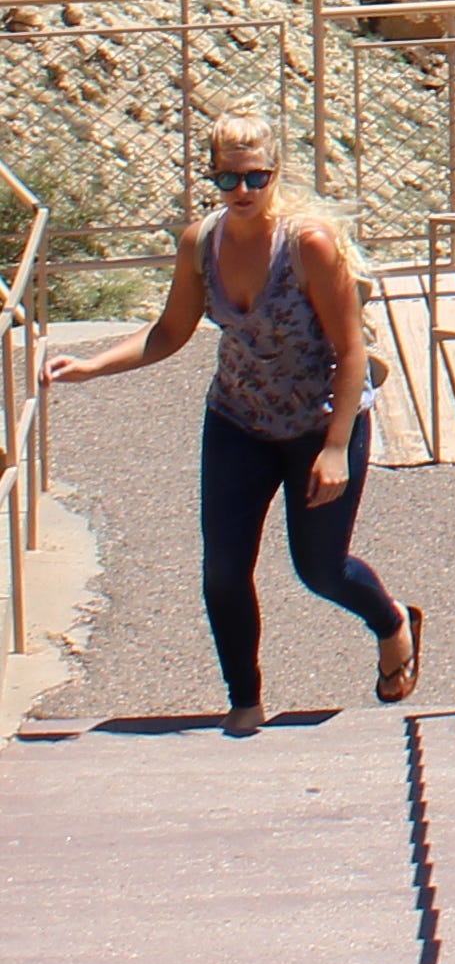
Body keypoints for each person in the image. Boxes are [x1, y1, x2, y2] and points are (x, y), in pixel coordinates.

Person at [45, 112, 422, 733]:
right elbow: (169, 332)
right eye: (226, 179)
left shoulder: (309, 245)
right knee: (223, 568)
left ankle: (393, 624)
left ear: (276, 173)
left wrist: (335, 449)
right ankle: (244, 700)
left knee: (320, 570)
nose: (241, 192)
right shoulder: (202, 242)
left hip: (318, 424)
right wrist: (91, 367)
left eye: (255, 177)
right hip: (237, 420)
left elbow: (351, 351)